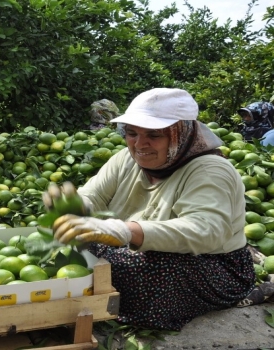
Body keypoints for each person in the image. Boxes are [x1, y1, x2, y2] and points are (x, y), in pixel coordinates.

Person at [44, 88, 255, 331]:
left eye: (154, 135)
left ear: (181, 134)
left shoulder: (208, 171)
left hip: (207, 264)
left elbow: (205, 231)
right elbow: (95, 195)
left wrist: (126, 230)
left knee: (148, 269)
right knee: (71, 241)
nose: (140, 144)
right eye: (131, 133)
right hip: (133, 246)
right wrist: (76, 208)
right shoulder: (126, 158)